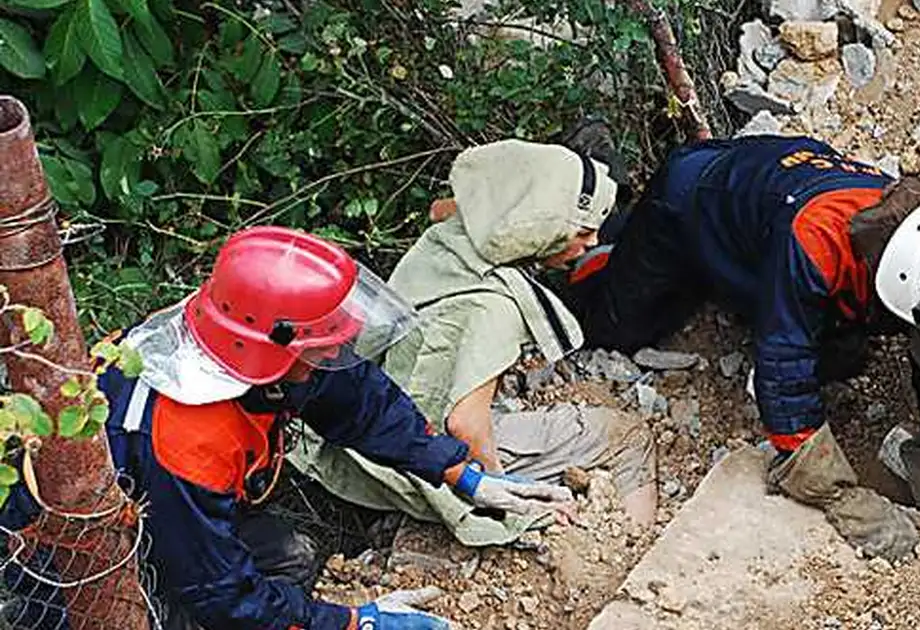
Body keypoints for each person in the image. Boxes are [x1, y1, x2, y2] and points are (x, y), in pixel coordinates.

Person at [2, 226, 575, 630]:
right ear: (266, 354)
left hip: (171, 514)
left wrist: (460, 472)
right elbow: (220, 592)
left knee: (291, 558)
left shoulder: (246, 343)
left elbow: (358, 401)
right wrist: (356, 623)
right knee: (169, 615)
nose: (339, 350)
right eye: (324, 345)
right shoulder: (188, 436)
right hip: (72, 561)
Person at [563, 134, 920, 561]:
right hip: (692, 200)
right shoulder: (818, 242)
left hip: (769, 206)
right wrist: (836, 493)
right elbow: (781, 370)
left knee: (842, 351)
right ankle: (602, 218)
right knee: (617, 326)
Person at [293, 139, 658, 537]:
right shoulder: (493, 307)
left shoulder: (454, 236)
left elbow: (444, 207)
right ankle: (632, 544)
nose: (590, 243)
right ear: (541, 230)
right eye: (582, 232)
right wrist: (504, 500)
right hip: (419, 458)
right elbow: (464, 425)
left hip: (368, 431)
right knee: (626, 435)